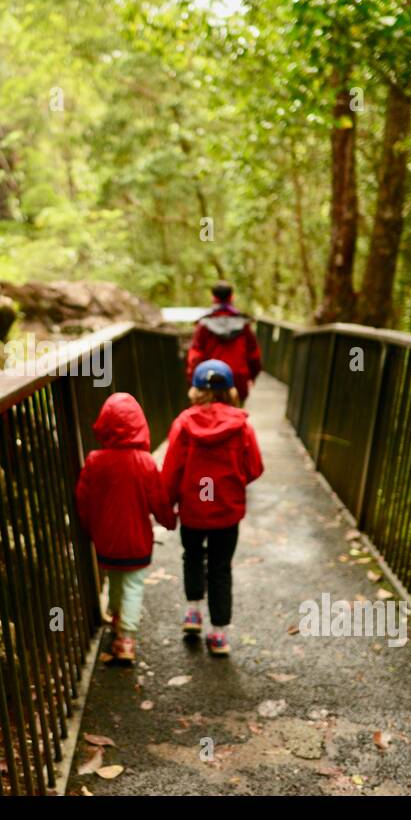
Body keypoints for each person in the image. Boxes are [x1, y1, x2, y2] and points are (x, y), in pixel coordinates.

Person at [162, 360, 264, 656]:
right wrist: (232, 481)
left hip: (194, 512)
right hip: (226, 514)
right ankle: (219, 634)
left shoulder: (183, 424)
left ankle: (193, 611)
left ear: (196, 390)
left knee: (192, 556)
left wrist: (167, 509)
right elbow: (255, 467)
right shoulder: (242, 427)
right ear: (229, 391)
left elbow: (171, 472)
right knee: (220, 568)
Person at [75, 392, 176, 664]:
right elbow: (158, 499)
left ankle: (116, 614)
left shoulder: (95, 461)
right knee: (133, 584)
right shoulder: (144, 462)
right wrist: (169, 520)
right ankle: (126, 639)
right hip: (136, 540)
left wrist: (88, 529)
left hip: (106, 541)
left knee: (115, 578)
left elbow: (83, 499)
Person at [185, 282, 263, 406]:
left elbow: (195, 356)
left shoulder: (204, 325)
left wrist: (193, 380)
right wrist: (252, 376)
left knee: (207, 417)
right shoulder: (244, 324)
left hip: (208, 383)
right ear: (231, 297)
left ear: (213, 298)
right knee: (236, 417)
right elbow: (254, 355)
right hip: (238, 382)